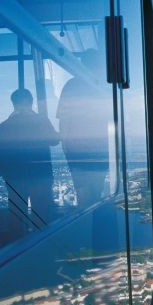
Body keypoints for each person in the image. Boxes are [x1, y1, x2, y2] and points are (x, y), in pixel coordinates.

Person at [0, 88, 60, 228]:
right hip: (40, 175)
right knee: (41, 214)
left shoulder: (3, 127)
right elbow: (54, 140)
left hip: (15, 177)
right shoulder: (41, 121)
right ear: (31, 102)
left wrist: (6, 175)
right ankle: (41, 245)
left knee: (17, 214)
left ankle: (17, 243)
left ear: (13, 104)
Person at [56, 50, 112, 208]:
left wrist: (65, 146)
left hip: (76, 148)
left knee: (82, 190)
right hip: (102, 147)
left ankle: (87, 222)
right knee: (97, 188)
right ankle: (95, 226)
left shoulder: (71, 86)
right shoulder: (104, 87)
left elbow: (64, 121)